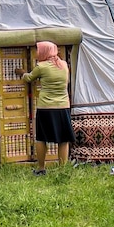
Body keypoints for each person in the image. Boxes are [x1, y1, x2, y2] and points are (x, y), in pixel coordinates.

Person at [16, 41, 75, 175]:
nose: (37, 53)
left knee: (41, 138)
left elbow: (29, 78)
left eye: (38, 50)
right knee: (63, 138)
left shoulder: (41, 67)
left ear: (45, 52)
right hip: (63, 107)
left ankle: (41, 168)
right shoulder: (64, 65)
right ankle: (63, 169)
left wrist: (22, 73)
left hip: (46, 107)